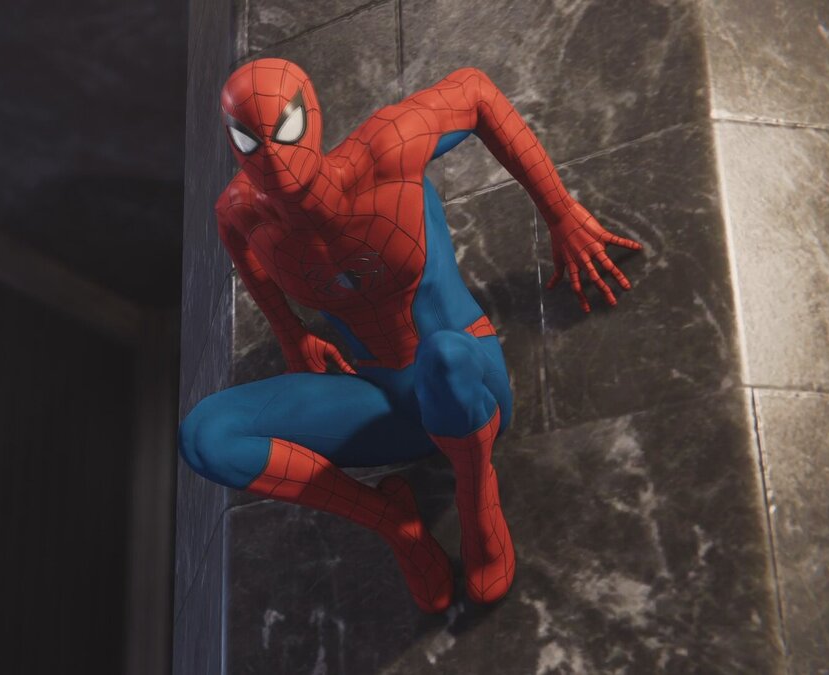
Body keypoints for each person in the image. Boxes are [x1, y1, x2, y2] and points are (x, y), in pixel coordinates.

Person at [178, 58, 641, 612]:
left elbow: (476, 92)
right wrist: (290, 333)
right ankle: (394, 523)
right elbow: (237, 242)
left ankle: (478, 501)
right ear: (234, 144)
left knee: (442, 355)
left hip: (468, 384)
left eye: (287, 130)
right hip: (378, 397)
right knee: (205, 436)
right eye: (250, 142)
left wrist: (561, 213)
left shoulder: (387, 151)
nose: (274, 159)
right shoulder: (241, 211)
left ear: (311, 117)